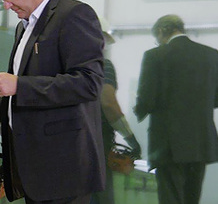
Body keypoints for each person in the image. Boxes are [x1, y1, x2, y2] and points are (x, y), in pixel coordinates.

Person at [0, 0, 106, 204]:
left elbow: (89, 83)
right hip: (34, 169)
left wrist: (19, 85)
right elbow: (25, 93)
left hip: (63, 170)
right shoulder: (25, 27)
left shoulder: (74, 15)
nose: (7, 5)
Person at [134, 14, 218, 204]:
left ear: (162, 31)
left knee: (171, 196)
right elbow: (216, 98)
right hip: (201, 141)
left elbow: (147, 99)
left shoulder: (155, 56)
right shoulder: (212, 55)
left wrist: (138, 110)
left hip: (169, 143)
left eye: (158, 39)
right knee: (192, 197)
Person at [90, 18, 142, 204]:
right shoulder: (102, 65)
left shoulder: (63, 64)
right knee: (101, 197)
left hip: (65, 145)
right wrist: (130, 138)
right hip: (96, 144)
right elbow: (108, 103)